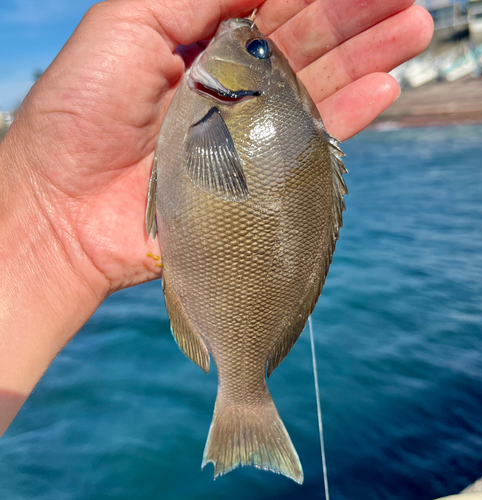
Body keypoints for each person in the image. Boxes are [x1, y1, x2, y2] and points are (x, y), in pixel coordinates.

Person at [0, 0, 433, 436]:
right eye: (259, 49)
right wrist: (48, 206)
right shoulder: (217, 106)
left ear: (250, 89)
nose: (246, 39)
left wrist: (49, 217)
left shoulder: (219, 106)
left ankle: (242, 395)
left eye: (256, 50)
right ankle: (245, 395)